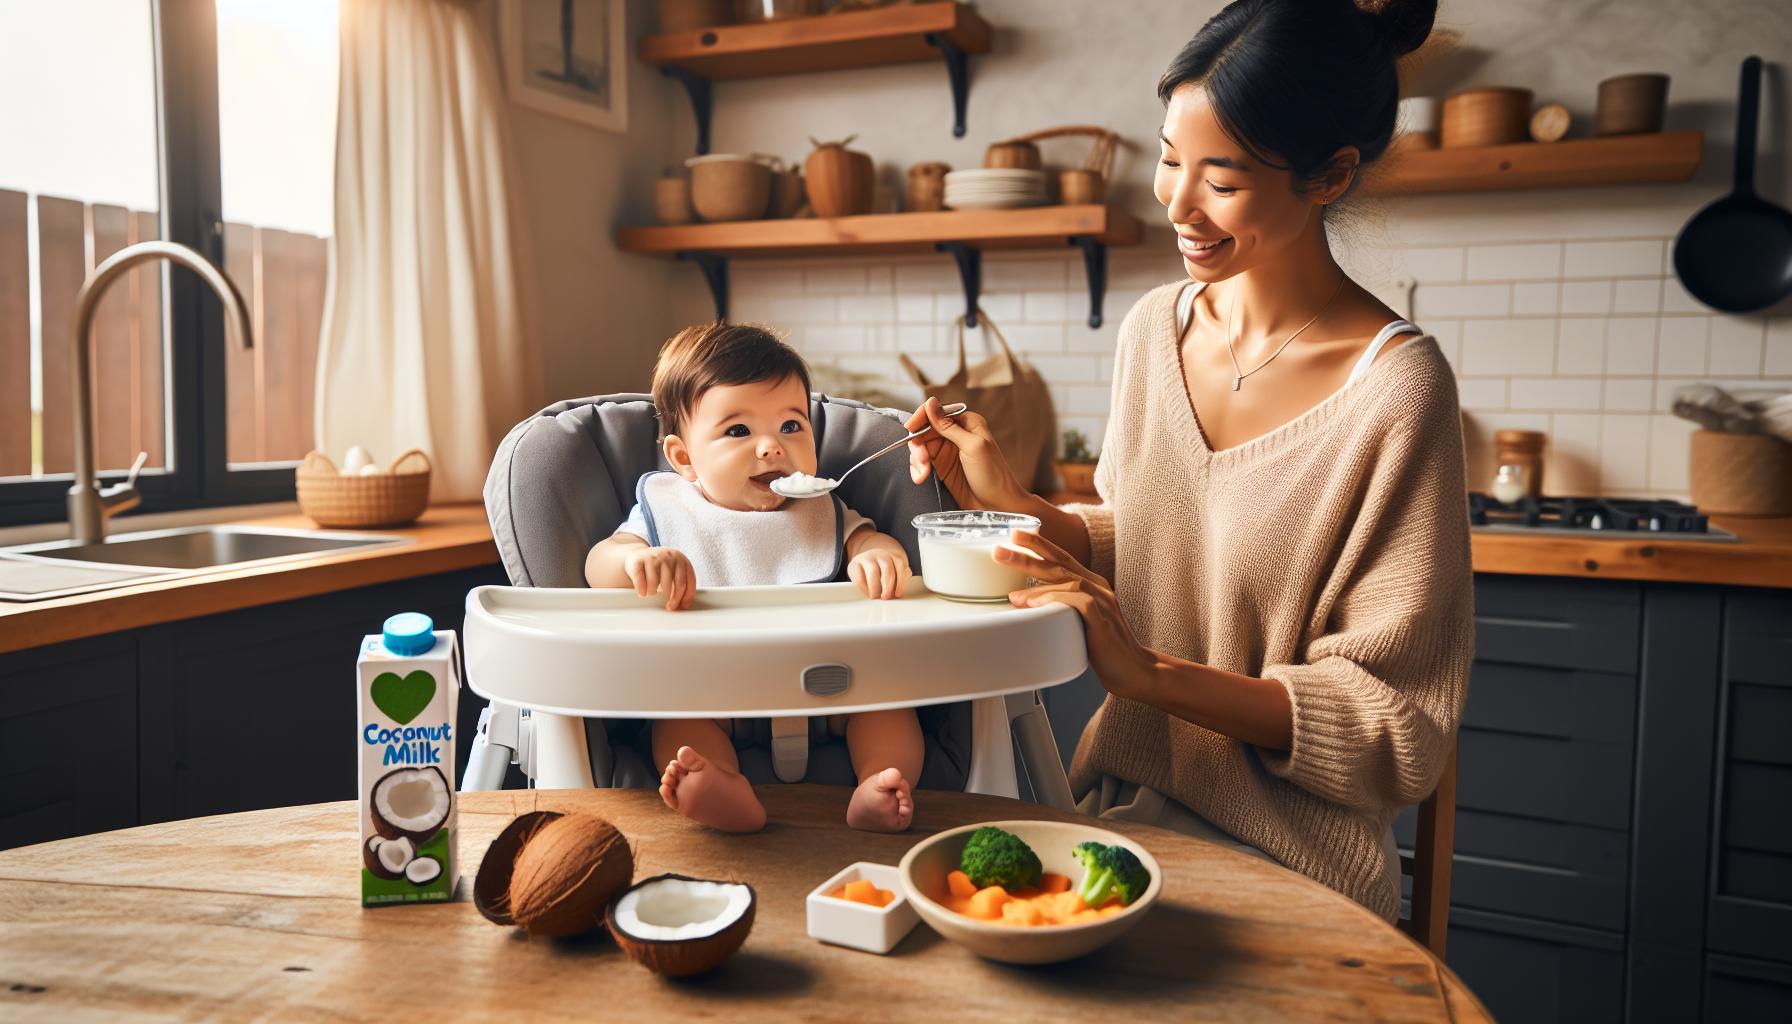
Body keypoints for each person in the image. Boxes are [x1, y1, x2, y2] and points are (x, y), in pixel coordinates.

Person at [906, 0, 1471, 921]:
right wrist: (1018, 507)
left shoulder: (1398, 390)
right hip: (1121, 823)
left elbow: (1393, 729)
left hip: (1299, 870)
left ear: (1329, 175)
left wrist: (1148, 675)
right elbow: (1151, 539)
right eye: (1170, 158)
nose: (1176, 202)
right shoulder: (1151, 332)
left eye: (1224, 177)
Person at [585, 322, 921, 834]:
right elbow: (599, 563)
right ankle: (723, 789)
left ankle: (878, 786)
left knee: (889, 711)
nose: (772, 447)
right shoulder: (669, 512)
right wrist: (634, 564)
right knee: (678, 727)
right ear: (683, 459)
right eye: (739, 431)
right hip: (712, 693)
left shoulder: (823, 508)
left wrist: (878, 554)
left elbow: (867, 539)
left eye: (791, 426)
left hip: (831, 692)